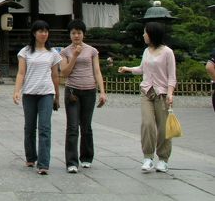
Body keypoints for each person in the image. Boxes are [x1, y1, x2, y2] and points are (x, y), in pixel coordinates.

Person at [118, 21, 177, 173]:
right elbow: (142, 69)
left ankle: (163, 159)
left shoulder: (167, 52)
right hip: (146, 92)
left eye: (145, 32)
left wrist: (170, 94)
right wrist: (128, 69)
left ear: (152, 34)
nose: (143, 35)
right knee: (147, 124)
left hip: (162, 94)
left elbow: (172, 76)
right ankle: (148, 157)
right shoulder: (146, 51)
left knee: (163, 128)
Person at [13, 20, 61, 175]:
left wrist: (57, 96)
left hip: (46, 93)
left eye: (46, 31)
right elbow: (21, 73)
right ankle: (31, 157)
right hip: (29, 93)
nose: (44, 34)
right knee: (30, 127)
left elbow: (55, 75)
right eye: (40, 31)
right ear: (34, 33)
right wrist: (17, 91)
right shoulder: (25, 51)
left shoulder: (53, 53)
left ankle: (43, 163)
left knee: (45, 127)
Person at [59, 20, 107, 173]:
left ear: (83, 34)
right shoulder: (65, 52)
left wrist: (102, 91)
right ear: (70, 35)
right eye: (73, 33)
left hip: (89, 90)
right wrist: (75, 55)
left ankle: (86, 157)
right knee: (72, 127)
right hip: (72, 91)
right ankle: (71, 162)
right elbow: (64, 73)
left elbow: (97, 71)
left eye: (79, 32)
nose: (76, 35)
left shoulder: (92, 51)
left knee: (86, 126)